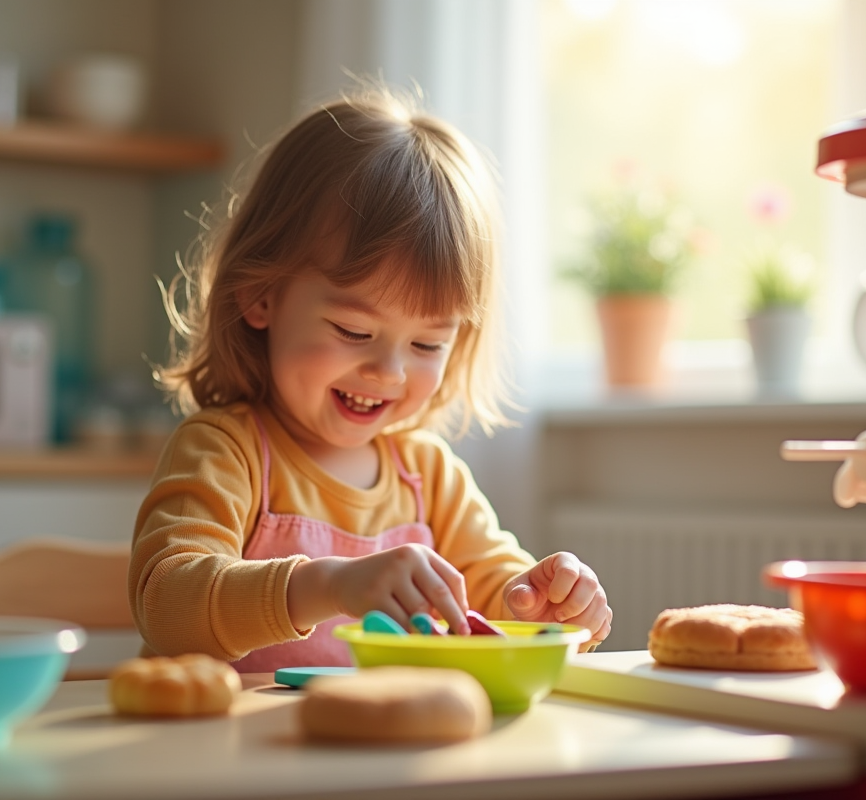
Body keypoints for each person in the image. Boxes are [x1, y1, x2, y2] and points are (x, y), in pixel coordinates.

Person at [129, 87, 612, 672]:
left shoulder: (428, 476)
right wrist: (327, 586)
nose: (388, 371)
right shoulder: (224, 451)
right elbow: (166, 603)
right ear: (260, 295)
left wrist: (548, 602)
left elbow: (498, 594)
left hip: (379, 753)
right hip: (229, 757)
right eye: (354, 332)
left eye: (427, 343)